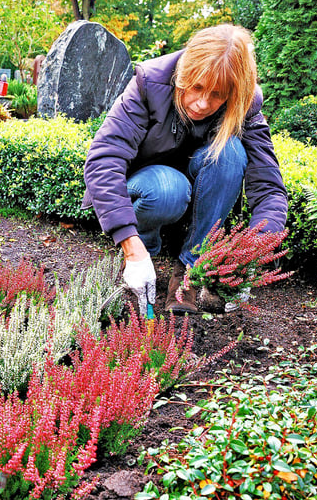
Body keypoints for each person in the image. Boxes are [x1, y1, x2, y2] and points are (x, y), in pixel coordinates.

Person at [83, 24, 287, 315]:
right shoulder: (150, 81)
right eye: (197, 87)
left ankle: (191, 267)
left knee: (229, 153)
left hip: (199, 194)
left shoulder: (245, 104)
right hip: (150, 189)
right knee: (168, 188)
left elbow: (268, 186)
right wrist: (130, 244)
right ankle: (146, 250)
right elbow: (104, 159)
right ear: (184, 72)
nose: (203, 103)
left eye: (218, 94)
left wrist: (253, 251)